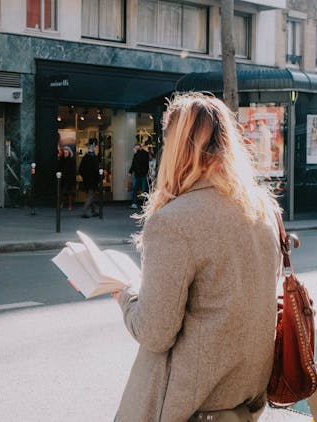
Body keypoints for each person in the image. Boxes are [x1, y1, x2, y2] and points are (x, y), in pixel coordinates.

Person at [111, 92, 281, 422]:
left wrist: (125, 294)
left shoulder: (173, 222)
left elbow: (155, 333)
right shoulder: (264, 211)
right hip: (244, 403)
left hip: (189, 406)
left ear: (175, 148)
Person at [78, 141, 100, 218]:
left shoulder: (85, 157)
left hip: (86, 180)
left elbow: (80, 169)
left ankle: (93, 211)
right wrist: (99, 180)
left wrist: (84, 177)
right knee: (90, 195)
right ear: (94, 148)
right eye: (96, 147)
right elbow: (96, 170)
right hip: (92, 180)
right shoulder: (94, 158)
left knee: (91, 195)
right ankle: (84, 212)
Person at [128, 143, 150, 209]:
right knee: (144, 190)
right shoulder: (145, 154)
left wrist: (130, 172)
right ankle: (145, 204)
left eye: (135, 148)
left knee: (135, 189)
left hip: (139, 174)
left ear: (138, 148)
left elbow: (134, 164)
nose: (134, 149)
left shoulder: (137, 154)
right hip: (142, 174)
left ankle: (135, 203)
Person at [57, 145, 76, 211]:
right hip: (62, 178)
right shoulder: (62, 159)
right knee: (62, 192)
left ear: (69, 153)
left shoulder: (71, 160)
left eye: (66, 153)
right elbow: (59, 168)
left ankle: (70, 206)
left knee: (69, 193)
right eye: (64, 153)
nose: (65, 154)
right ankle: (62, 203)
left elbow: (73, 170)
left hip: (69, 178)